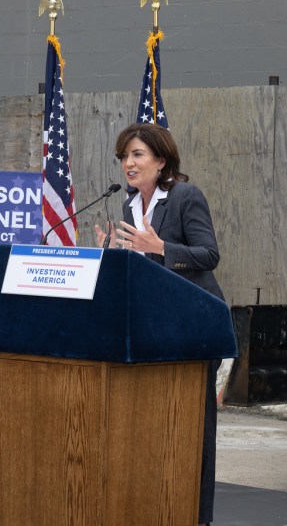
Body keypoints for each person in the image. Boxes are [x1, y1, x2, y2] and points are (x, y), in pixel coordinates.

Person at [94, 122, 223, 526]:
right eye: (123, 157)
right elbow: (141, 270)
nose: (128, 164)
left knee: (193, 427)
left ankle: (196, 515)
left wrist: (161, 247)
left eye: (136, 155)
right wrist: (113, 253)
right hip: (155, 327)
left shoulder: (185, 196)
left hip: (195, 326)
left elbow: (209, 255)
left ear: (161, 160)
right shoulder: (129, 205)